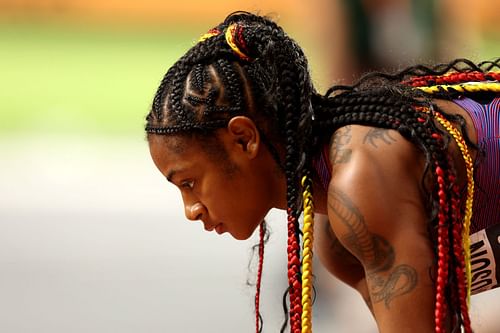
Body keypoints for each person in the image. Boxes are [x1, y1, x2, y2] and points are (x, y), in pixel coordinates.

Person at [144, 11, 500, 333]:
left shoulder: (360, 180)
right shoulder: (336, 238)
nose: (191, 210)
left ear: (243, 139)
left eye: (189, 183)